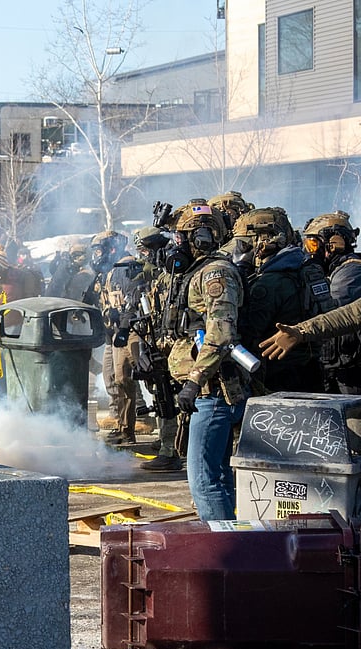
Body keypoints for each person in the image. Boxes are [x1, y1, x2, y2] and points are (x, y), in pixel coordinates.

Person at [163, 200, 247, 521]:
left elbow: (221, 332)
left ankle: (223, 554)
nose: (178, 245)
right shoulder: (199, 271)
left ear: (201, 238)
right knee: (220, 476)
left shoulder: (216, 273)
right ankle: (233, 546)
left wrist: (193, 382)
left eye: (182, 238)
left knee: (203, 481)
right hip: (209, 391)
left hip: (214, 391)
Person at [230, 207, 330, 394]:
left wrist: (241, 271)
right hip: (309, 367)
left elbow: (248, 331)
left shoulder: (269, 283)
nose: (241, 249)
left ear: (264, 241)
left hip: (278, 374)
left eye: (245, 243)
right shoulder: (301, 267)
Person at [133, 225, 184, 471]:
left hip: (179, 347)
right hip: (161, 342)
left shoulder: (177, 273)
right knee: (163, 396)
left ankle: (171, 450)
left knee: (171, 399)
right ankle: (168, 446)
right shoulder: (162, 276)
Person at [91, 230, 145, 445]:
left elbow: (133, 303)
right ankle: (124, 427)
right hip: (114, 333)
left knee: (131, 379)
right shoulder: (107, 272)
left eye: (99, 250)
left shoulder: (128, 268)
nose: (96, 255)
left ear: (112, 249)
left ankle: (158, 432)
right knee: (116, 379)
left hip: (130, 332)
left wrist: (123, 326)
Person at [303, 211, 361, 392]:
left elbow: (330, 308)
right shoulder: (335, 269)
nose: (310, 252)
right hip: (338, 365)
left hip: (351, 369)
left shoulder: (351, 271)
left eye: (313, 245)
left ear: (334, 244)